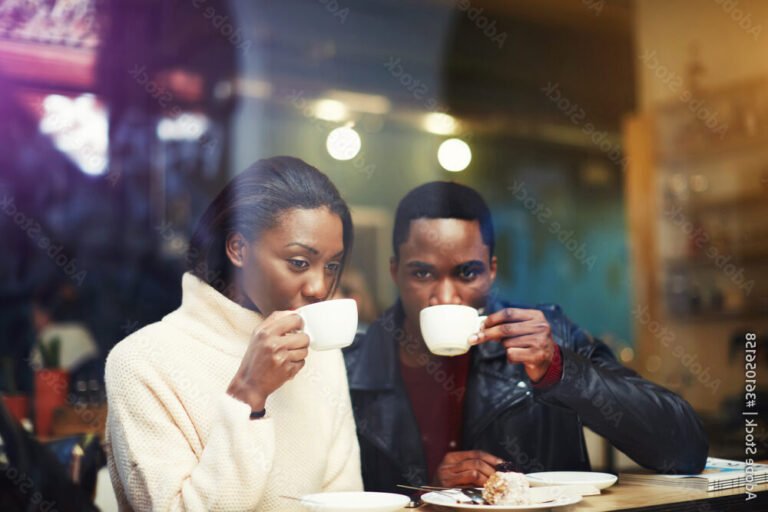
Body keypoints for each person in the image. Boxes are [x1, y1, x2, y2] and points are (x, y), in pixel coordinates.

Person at [343, 181, 708, 493]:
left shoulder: (547, 339)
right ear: (394, 272)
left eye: (467, 273)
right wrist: (427, 495)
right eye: (422, 274)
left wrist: (560, 370)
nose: (446, 296)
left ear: (492, 271)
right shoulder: (351, 366)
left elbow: (684, 449)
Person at [105, 157, 362, 511]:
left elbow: (345, 500)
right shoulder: (141, 362)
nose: (319, 287)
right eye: (299, 262)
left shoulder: (322, 352)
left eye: (331, 265)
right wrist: (249, 395)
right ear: (238, 249)